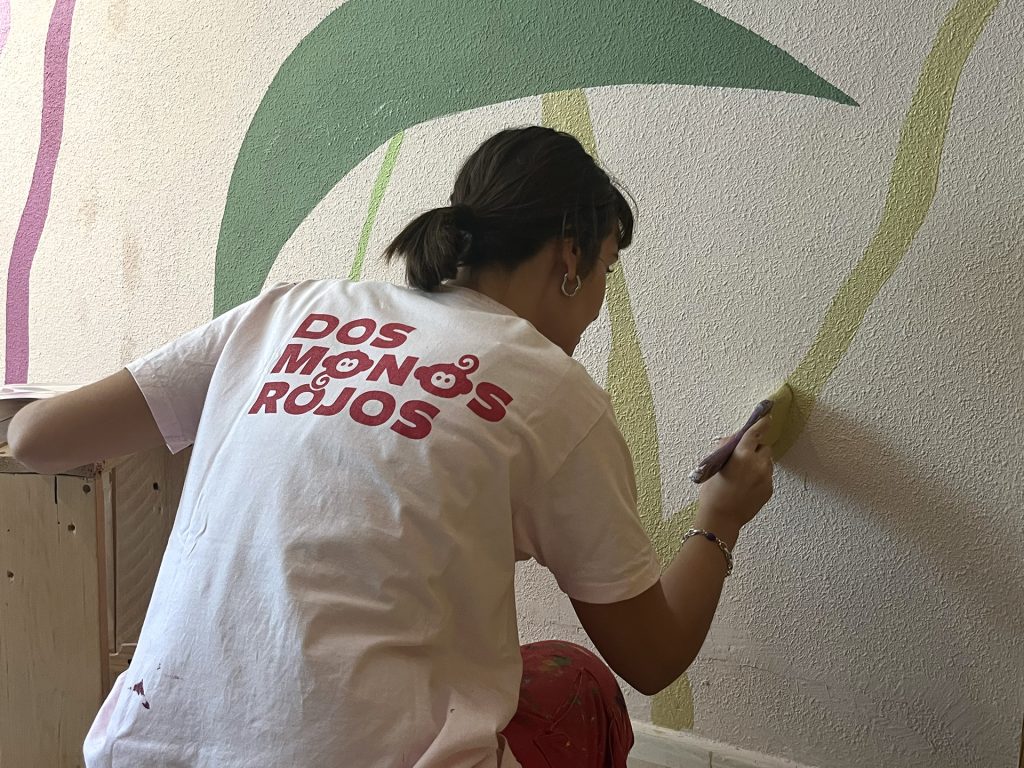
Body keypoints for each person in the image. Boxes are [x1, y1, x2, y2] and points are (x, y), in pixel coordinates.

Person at [8, 126, 774, 768]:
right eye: (606, 268)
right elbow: (650, 659)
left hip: (141, 752)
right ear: (570, 256)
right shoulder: (552, 391)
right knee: (577, 684)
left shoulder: (292, 309)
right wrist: (722, 516)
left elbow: (36, 438)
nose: (599, 305)